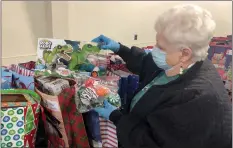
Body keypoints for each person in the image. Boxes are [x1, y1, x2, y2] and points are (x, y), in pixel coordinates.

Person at [92, 4, 232, 148]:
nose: (154, 50)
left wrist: (116, 117)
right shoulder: (186, 63)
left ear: (184, 53)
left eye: (160, 47)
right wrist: (120, 48)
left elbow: (149, 143)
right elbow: (146, 62)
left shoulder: (195, 99)